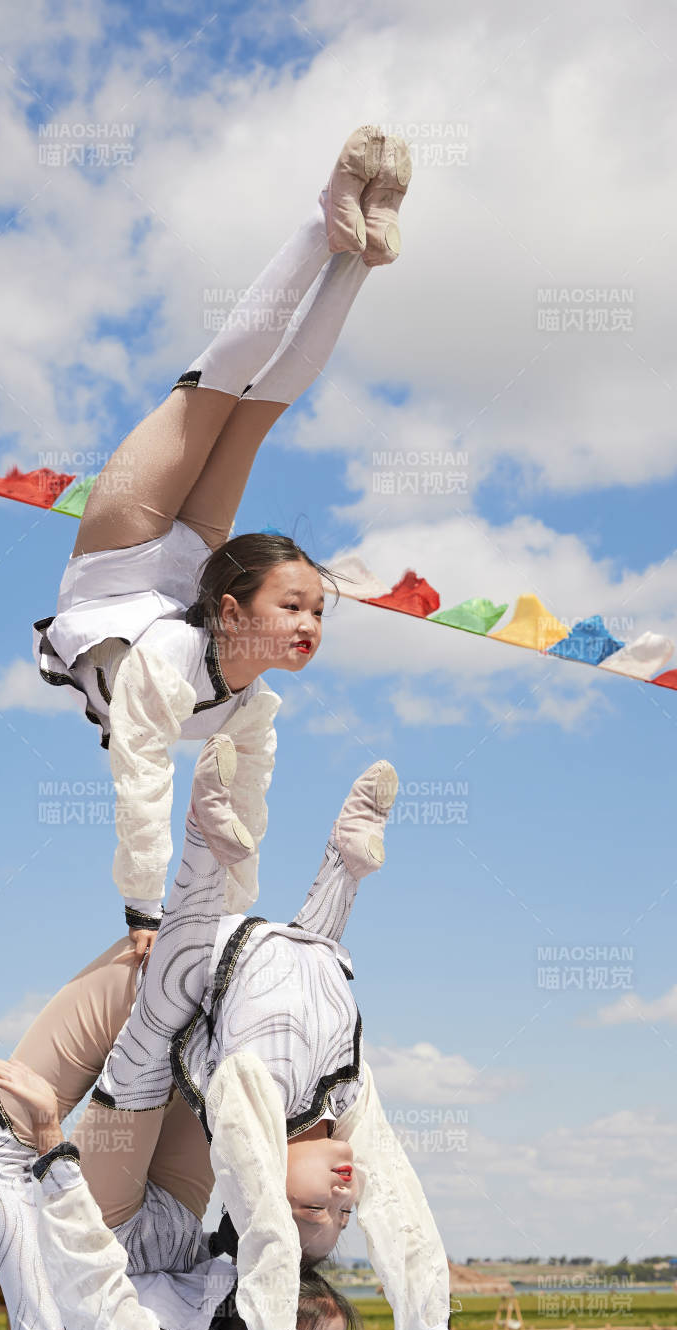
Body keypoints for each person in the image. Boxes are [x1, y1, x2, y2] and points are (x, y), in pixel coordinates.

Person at [33, 126, 413, 957]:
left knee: (220, 388)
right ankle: (347, 241)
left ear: (231, 610)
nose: (312, 623)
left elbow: (203, 800)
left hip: (113, 567)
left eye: (312, 609)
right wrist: (153, 912)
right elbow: (189, 795)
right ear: (234, 608)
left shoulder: (205, 686)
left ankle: (341, 225)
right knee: (251, 396)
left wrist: (200, 921)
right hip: (176, 575)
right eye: (302, 605)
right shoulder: (238, 693)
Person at [91, 735, 455, 1330]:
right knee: (319, 938)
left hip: (222, 964)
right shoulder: (348, 1100)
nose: (347, 1195)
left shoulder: (251, 1107)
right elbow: (399, 1203)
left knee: (183, 948)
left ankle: (206, 834)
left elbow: (260, 1218)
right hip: (315, 955)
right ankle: (343, 862)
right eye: (347, 1214)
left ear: (267, 1176)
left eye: (320, 1206)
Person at [0, 1054, 356, 1330]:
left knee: (150, 1043)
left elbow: (94, 1279)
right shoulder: (223, 1323)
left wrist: (48, 1136)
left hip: (109, 1223)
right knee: (220, 1056)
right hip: (177, 1222)